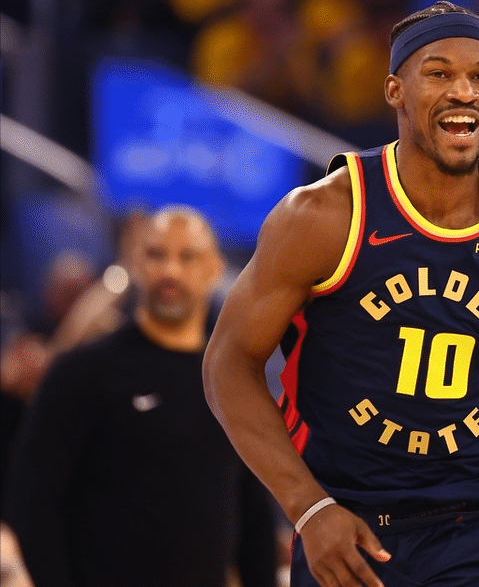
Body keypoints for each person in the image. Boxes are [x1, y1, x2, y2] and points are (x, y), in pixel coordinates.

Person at [204, 1, 479, 587]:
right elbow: (228, 363)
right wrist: (308, 509)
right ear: (395, 90)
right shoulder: (324, 214)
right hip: (347, 527)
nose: (464, 92)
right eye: (440, 73)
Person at [3, 207, 277, 587]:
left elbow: (254, 516)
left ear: (215, 269)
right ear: (134, 263)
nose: (170, 271)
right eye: (155, 254)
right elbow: (34, 501)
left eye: (188, 256)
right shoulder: (82, 372)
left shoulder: (233, 384)